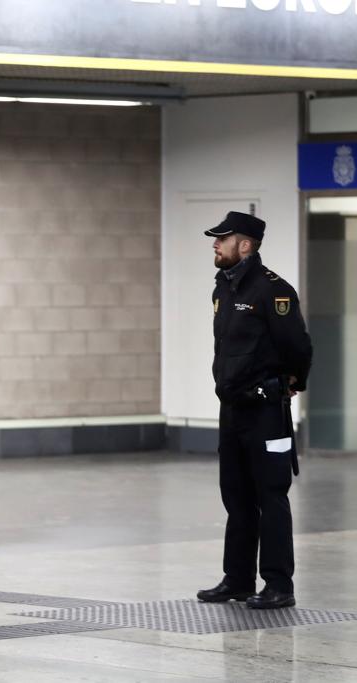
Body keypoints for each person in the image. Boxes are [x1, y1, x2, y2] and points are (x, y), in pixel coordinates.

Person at [196, 211, 312, 610]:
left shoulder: (273, 291)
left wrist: (293, 382)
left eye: (222, 239)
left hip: (267, 412)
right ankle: (238, 579)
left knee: (271, 495)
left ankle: (279, 584)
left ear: (244, 245)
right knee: (237, 496)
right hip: (232, 411)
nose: (215, 244)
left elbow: (298, 346)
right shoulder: (222, 289)